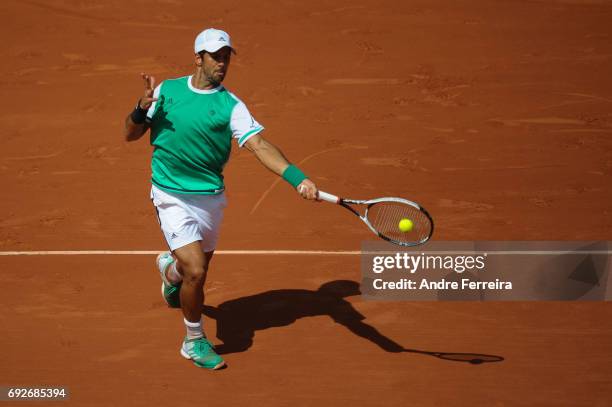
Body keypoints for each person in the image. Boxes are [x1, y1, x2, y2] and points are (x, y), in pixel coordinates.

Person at [123, 28, 318, 370]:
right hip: (170, 194)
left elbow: (259, 145)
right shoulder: (166, 91)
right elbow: (130, 134)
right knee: (197, 271)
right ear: (198, 57)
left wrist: (297, 178)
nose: (222, 63)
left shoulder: (231, 105)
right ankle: (194, 341)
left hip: (210, 199)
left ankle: (170, 273)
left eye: (226, 57)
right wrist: (141, 109)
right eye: (216, 56)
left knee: (190, 271)